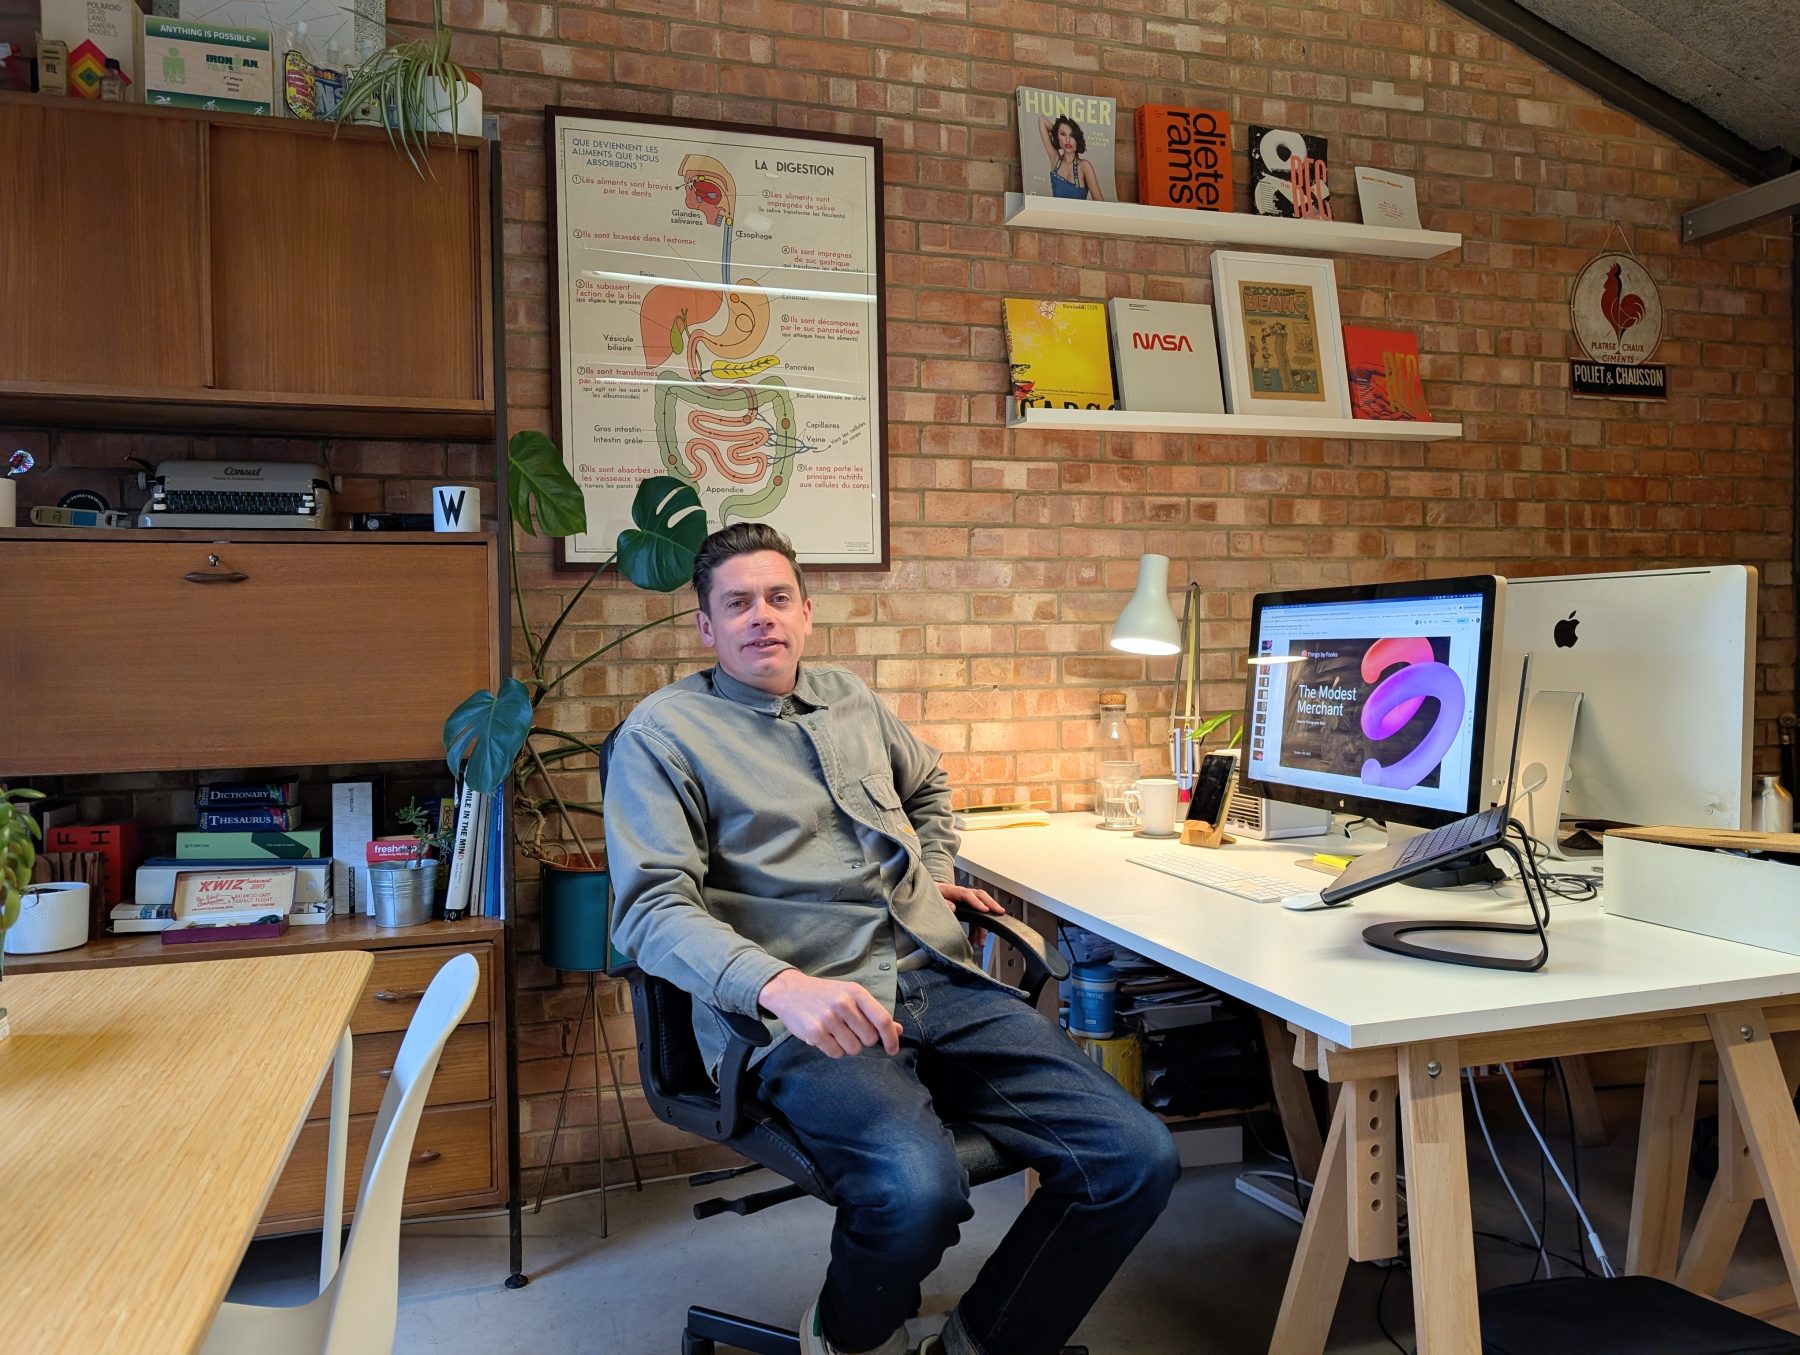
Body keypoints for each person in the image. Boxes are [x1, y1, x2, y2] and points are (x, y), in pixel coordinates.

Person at [606, 523, 1178, 1355]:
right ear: (707, 627)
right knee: (917, 1186)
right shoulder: (662, 736)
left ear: (806, 611)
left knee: (1136, 1155)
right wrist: (781, 987)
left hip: (934, 976)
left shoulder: (849, 698)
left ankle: (979, 1342)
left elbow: (931, 786)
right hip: (806, 1013)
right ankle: (841, 1336)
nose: (760, 617)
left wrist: (930, 869)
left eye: (777, 598)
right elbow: (650, 908)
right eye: (737, 604)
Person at [1035, 113, 1104, 201]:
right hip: (1055, 214)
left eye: (1072, 135)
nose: (1067, 140)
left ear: (1077, 139)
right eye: (1063, 134)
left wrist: (1061, 134)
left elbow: (1100, 203)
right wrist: (1057, 134)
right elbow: (1042, 121)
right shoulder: (1055, 160)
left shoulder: (1084, 166)